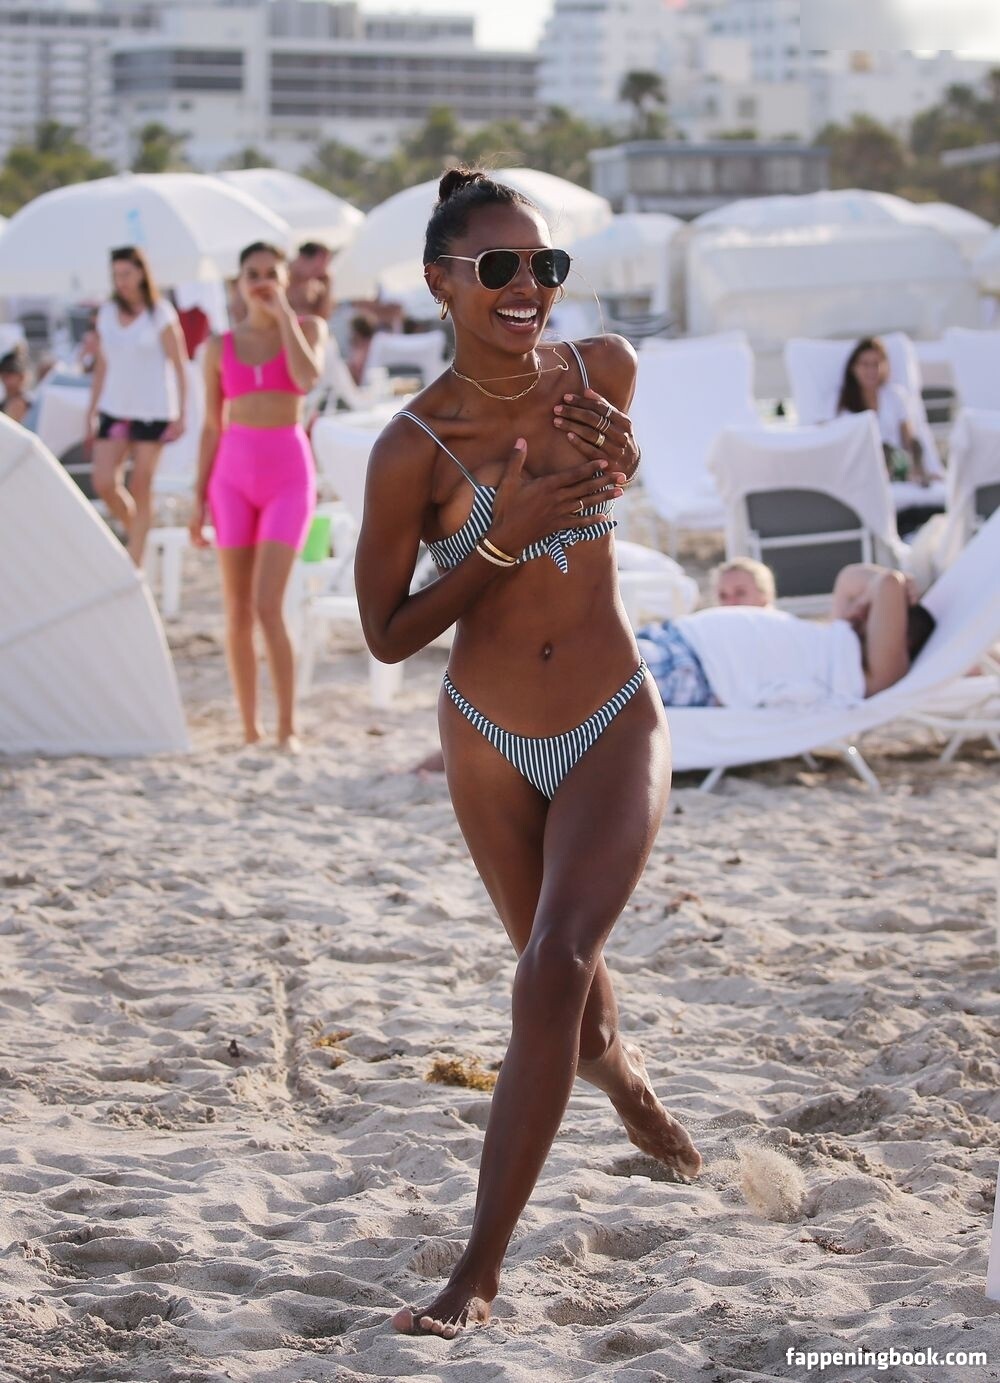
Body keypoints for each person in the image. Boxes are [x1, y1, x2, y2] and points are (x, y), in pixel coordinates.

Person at [354, 168, 702, 1340]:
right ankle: (629, 1084)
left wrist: (626, 465)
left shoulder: (602, 372)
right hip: (488, 739)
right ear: (439, 282)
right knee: (579, 1022)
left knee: (550, 968)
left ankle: (476, 1274)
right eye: (497, 266)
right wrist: (495, 542)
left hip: (612, 711)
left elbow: (620, 473)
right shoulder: (409, 449)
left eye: (544, 265)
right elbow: (386, 633)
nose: (526, 287)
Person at [190, 242, 327, 750]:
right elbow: (211, 426)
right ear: (239, 282)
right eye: (253, 273)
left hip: (288, 477)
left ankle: (288, 728)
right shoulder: (218, 345)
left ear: (287, 280)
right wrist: (197, 498)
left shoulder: (308, 329)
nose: (263, 281)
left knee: (268, 604)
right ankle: (250, 729)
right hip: (230, 479)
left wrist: (284, 316)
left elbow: (306, 379)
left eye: (272, 272)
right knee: (237, 610)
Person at [638, 563, 934, 709]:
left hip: (695, 668)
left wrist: (873, 597)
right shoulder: (839, 638)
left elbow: (888, 583)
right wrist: (870, 596)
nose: (864, 615)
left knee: (610, 674)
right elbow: (849, 578)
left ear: (903, 636)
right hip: (677, 638)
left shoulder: (879, 673)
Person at [86, 247, 188, 565]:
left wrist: (182, 412)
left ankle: (136, 560)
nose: (122, 281)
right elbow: (103, 365)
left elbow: (179, 364)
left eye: (127, 273)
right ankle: (138, 534)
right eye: (117, 275)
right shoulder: (107, 313)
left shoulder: (160, 313)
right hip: (115, 407)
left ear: (142, 273)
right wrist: (92, 409)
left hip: (153, 410)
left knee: (141, 483)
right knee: (103, 481)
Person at [837, 337, 940, 536]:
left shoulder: (894, 396)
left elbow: (910, 439)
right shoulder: (844, 406)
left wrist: (920, 468)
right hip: (867, 470)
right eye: (865, 364)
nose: (871, 370)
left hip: (897, 467)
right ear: (853, 368)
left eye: (876, 364)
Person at [287, 241, 333, 321]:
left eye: (323, 269)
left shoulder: (316, 287)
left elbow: (323, 317)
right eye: (316, 269)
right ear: (302, 258)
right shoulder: (277, 279)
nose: (321, 273)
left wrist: (328, 286)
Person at [0, 345, 33, 425]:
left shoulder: (30, 405)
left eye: (10, 375)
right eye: (4, 375)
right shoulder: (4, 403)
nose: (7, 380)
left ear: (22, 377)